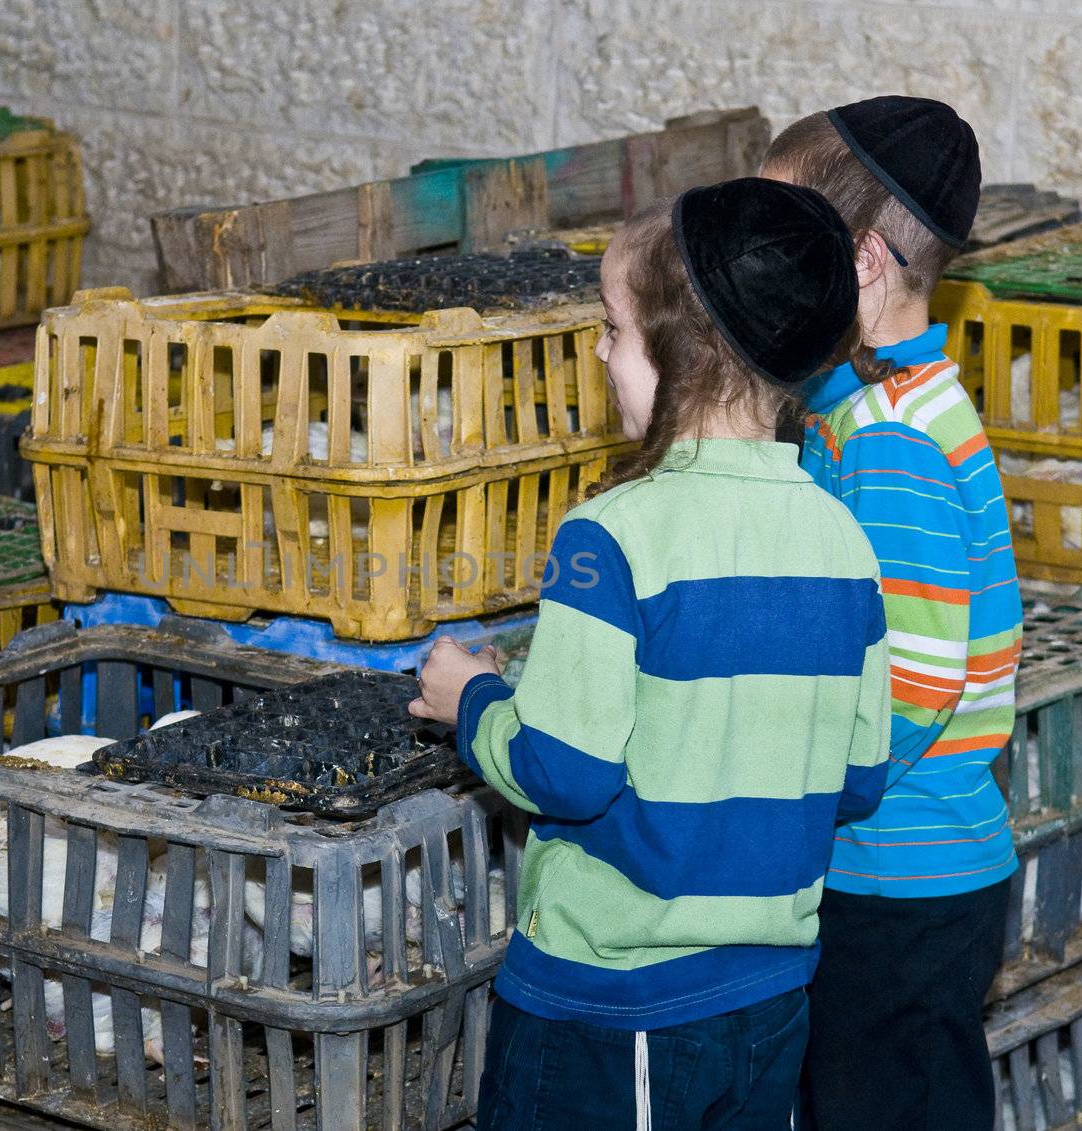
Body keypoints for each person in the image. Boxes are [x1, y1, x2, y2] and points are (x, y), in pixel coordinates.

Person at [410, 177, 892, 1130]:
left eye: (613, 330)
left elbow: (567, 769)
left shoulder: (609, 537)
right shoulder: (845, 541)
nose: (599, 353)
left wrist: (471, 698)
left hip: (615, 1006)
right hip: (770, 996)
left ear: (685, 353)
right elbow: (859, 778)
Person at [760, 96, 1022, 1131]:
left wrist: (798, 796)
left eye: (785, 238)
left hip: (899, 877)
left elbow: (914, 685)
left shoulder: (891, 439)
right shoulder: (864, 410)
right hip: (897, 867)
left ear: (861, 262)